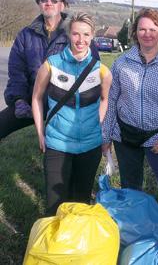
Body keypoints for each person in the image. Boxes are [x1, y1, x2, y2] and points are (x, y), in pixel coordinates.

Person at [101, 8, 158, 223]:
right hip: (126, 135)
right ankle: (135, 228)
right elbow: (111, 101)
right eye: (142, 29)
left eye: (152, 29)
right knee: (131, 188)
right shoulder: (122, 63)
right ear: (135, 32)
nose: (147, 33)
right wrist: (106, 137)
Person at [32, 12, 112, 216]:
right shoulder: (51, 65)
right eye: (76, 34)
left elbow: (105, 99)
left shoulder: (101, 71)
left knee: (81, 203)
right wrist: (41, 133)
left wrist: (99, 127)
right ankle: (52, 245)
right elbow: (36, 98)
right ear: (69, 35)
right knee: (54, 206)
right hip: (57, 144)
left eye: (86, 35)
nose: (81, 40)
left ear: (92, 35)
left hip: (90, 146)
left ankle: (75, 247)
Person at [0, 0, 99, 141]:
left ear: (62, 5)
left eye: (54, 0)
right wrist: (18, 100)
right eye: (44, 0)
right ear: (39, 4)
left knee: (63, 149)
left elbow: (91, 70)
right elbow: (17, 73)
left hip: (67, 102)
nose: (48, 3)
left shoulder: (76, 32)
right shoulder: (26, 35)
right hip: (32, 100)